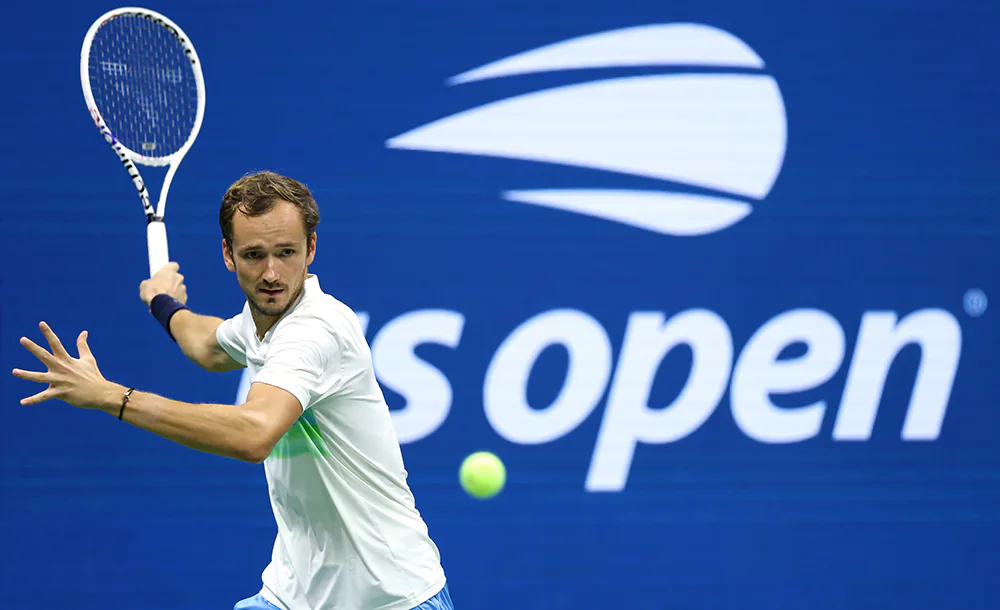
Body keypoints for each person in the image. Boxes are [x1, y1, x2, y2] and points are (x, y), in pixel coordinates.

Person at [11, 170, 454, 610]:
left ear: (312, 248)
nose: (272, 273)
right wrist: (163, 303)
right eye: (254, 255)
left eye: (286, 253)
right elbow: (208, 345)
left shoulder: (314, 332)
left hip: (391, 597)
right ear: (228, 254)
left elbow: (252, 434)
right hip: (294, 593)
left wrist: (112, 396)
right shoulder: (262, 321)